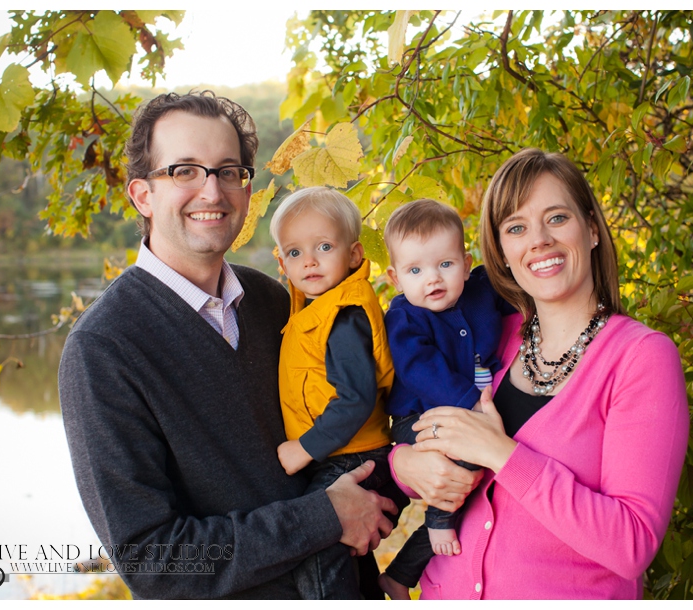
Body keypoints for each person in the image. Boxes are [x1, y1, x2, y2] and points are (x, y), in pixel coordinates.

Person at [58, 91, 398, 599]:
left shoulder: (276, 301)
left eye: (228, 171)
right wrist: (321, 517)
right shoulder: (103, 348)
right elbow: (155, 561)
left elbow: (359, 417)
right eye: (184, 171)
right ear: (142, 195)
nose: (212, 191)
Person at [389, 148, 689, 599]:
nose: (539, 240)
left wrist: (502, 454)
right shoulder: (495, 340)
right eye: (516, 227)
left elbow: (632, 545)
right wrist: (405, 463)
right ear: (502, 253)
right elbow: (426, 436)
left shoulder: (640, 358)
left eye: (557, 218)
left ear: (590, 229)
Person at [268, 186, 408, 599]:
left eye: (324, 246)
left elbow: (356, 398)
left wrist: (304, 448)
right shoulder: (313, 306)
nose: (308, 260)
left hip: (355, 457)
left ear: (354, 255)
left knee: (317, 541)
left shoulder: (344, 318)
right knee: (347, 552)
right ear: (281, 262)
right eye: (294, 253)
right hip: (340, 455)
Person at [375, 199, 511, 600]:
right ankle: (437, 517)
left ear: (467, 265)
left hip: (459, 413)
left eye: (445, 265)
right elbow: (421, 368)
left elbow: (521, 294)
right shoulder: (404, 318)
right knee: (462, 473)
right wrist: (470, 406)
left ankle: (398, 575)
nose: (432, 279)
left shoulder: (482, 289)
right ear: (396, 278)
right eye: (415, 271)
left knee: (470, 496)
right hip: (417, 416)